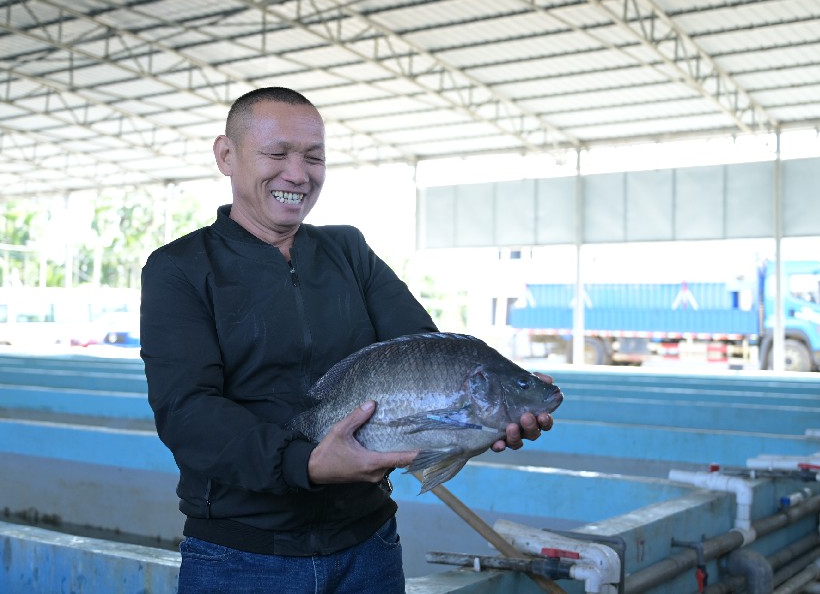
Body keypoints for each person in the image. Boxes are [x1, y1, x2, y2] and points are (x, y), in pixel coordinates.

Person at [140, 86, 554, 593]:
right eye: (277, 153)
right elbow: (186, 410)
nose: (298, 174)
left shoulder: (348, 250)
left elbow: (423, 350)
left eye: (314, 158)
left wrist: (479, 416)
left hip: (368, 547)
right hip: (243, 556)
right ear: (226, 155)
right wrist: (306, 462)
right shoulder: (181, 269)